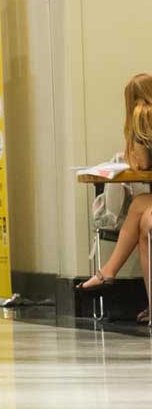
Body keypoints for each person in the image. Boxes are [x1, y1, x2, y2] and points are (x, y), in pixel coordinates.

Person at [79, 73, 152, 320]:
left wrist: (136, 128)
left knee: (144, 218)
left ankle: (108, 272)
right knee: (142, 213)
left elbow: (141, 164)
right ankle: (110, 273)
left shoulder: (144, 117)